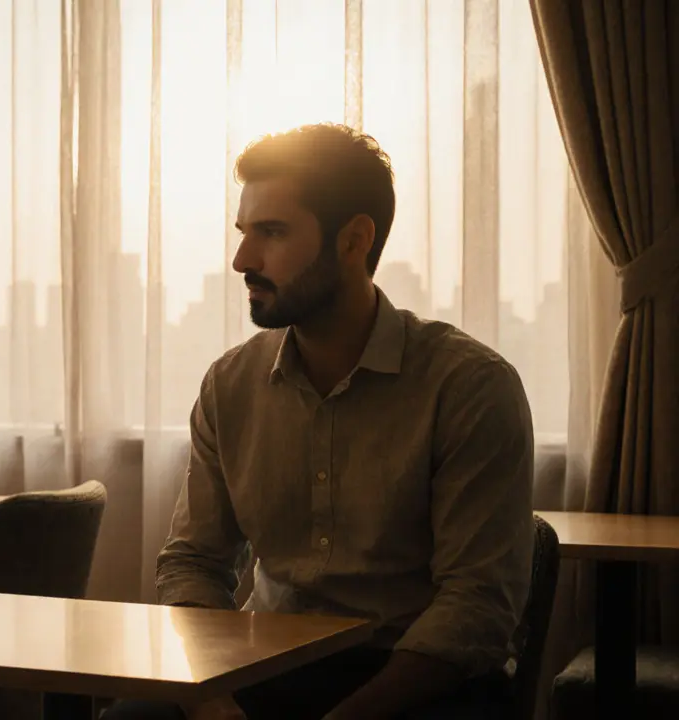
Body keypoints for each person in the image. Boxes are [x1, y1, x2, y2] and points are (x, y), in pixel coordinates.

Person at [105, 124, 534, 720]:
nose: (241, 260)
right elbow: (194, 561)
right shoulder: (230, 386)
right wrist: (212, 700)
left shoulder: (469, 387)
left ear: (354, 239)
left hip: (420, 682)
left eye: (272, 233)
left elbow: (478, 603)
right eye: (243, 233)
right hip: (268, 670)